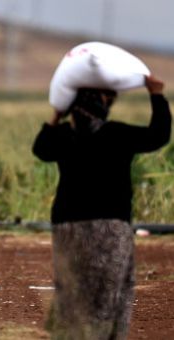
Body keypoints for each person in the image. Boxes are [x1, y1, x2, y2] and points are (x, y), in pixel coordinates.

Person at [32, 75, 171, 339]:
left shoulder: (63, 136)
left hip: (67, 226)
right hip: (109, 226)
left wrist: (57, 114)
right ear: (102, 106)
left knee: (72, 290)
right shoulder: (116, 135)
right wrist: (156, 95)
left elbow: (40, 148)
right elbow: (158, 136)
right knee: (108, 293)